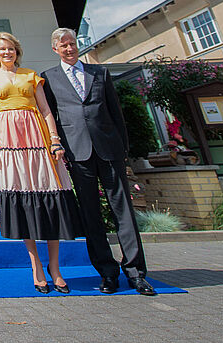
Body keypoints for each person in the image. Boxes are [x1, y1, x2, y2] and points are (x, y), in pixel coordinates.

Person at [41, 27, 156, 295]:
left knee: (123, 211)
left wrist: (123, 149)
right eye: (63, 45)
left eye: (72, 43)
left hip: (109, 149)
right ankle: (107, 272)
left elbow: (116, 112)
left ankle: (136, 272)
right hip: (78, 153)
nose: (69, 49)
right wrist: (57, 148)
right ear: (55, 49)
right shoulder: (48, 78)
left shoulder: (100, 73)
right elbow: (52, 117)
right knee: (91, 214)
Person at [0, 32, 83, 294]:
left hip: (37, 139)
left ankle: (55, 267)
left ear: (17, 51)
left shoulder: (31, 75)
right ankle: (36, 265)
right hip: (10, 143)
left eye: (11, 48)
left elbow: (46, 110)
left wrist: (55, 140)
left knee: (50, 198)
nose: (7, 53)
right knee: (23, 200)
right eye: (2, 49)